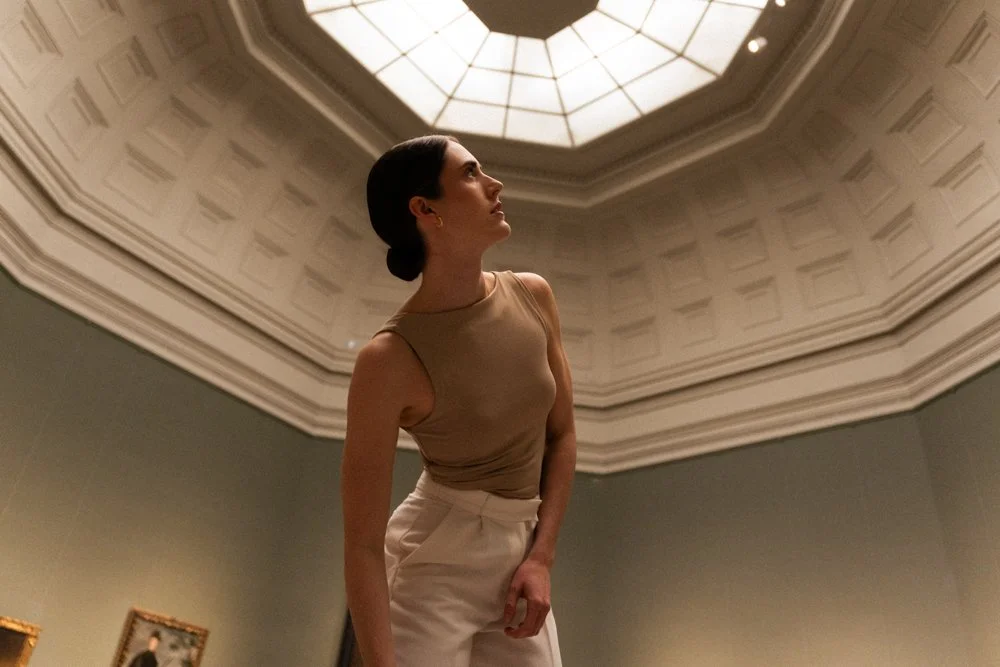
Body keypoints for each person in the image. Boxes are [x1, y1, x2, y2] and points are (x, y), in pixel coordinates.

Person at [342, 135, 577, 667]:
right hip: (434, 559)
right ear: (425, 210)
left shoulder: (534, 295)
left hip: (520, 549)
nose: (495, 184)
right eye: (471, 174)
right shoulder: (387, 358)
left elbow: (561, 435)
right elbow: (362, 545)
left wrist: (541, 557)